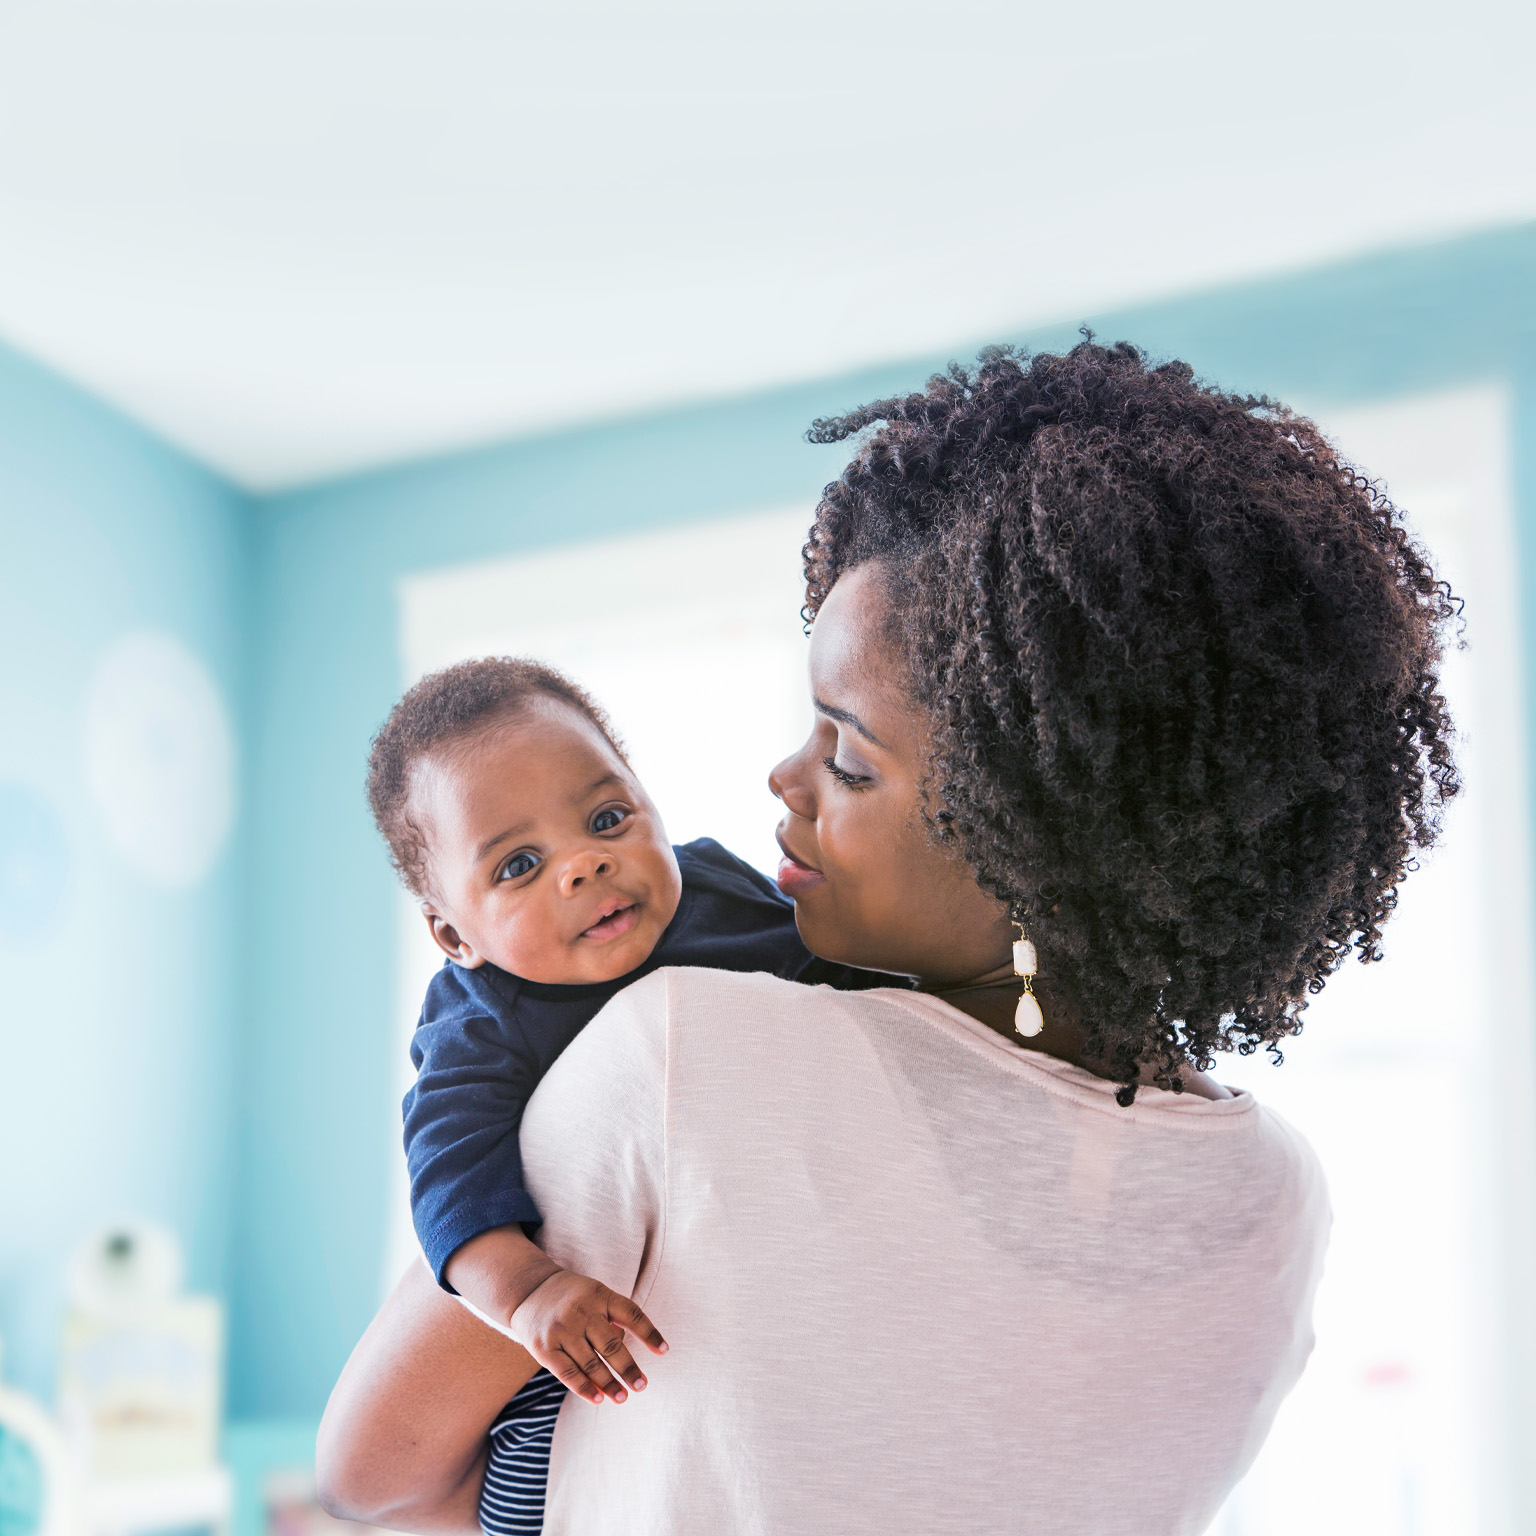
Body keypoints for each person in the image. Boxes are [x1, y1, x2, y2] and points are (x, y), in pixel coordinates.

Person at [317, 340, 1459, 1535]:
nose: (784, 779)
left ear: (1039, 836)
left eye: (847, 758)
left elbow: (369, 1474)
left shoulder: (684, 1056)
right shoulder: (1279, 1201)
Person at [366, 657, 898, 1531]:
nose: (583, 866)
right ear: (452, 932)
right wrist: (530, 1295)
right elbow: (450, 1185)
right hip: (574, 1345)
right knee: (545, 1477)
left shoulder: (720, 887)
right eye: (520, 865)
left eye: (608, 818)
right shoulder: (480, 1013)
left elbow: (842, 990)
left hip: (749, 1299)